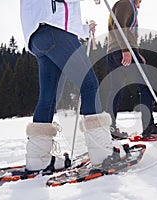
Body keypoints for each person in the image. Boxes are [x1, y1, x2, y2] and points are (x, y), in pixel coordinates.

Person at [20, 0, 123, 173]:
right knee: (89, 85)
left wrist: (83, 29)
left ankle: (38, 159)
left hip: (37, 35)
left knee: (49, 97)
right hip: (54, 29)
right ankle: (102, 154)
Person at [106, 0, 157, 139]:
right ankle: (148, 127)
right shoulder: (125, 3)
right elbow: (118, 26)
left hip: (115, 51)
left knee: (116, 90)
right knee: (146, 86)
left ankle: (110, 128)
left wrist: (136, 52)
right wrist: (126, 50)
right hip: (122, 50)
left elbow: (128, 32)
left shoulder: (127, 5)